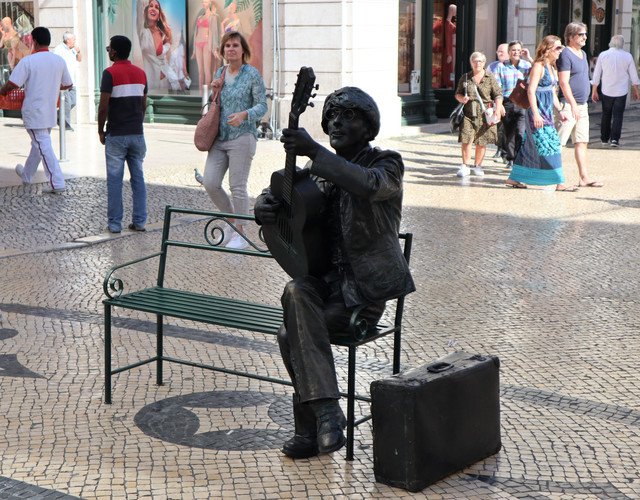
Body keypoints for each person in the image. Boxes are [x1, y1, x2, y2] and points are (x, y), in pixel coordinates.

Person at [254, 86, 416, 459]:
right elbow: (279, 191)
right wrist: (263, 206)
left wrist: (314, 151)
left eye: (348, 116)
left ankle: (312, 428)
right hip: (325, 287)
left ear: (368, 126)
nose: (336, 123)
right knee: (296, 290)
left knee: (289, 334)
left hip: (362, 296)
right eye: (331, 116)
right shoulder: (317, 173)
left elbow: (368, 185)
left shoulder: (386, 164)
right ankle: (328, 414)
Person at [201, 31, 267, 249]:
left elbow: (262, 106)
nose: (231, 49)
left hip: (243, 136)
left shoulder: (252, 74)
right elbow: (215, 105)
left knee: (237, 186)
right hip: (219, 138)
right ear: (223, 50)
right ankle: (232, 221)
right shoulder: (220, 72)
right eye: (227, 46)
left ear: (243, 50)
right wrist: (214, 92)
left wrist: (244, 115)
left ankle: (241, 233)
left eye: (235, 45)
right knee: (210, 183)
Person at [0, 26, 72, 194]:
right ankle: (27, 175)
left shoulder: (28, 61)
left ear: (35, 42)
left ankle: (57, 182)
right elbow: (67, 84)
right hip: (49, 110)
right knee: (39, 144)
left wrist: (2, 90)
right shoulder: (58, 61)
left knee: (42, 145)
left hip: (34, 111)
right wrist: (50, 86)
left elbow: (13, 83)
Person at [506, 36, 577, 191]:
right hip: (537, 112)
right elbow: (531, 91)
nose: (560, 51)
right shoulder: (539, 66)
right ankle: (560, 182)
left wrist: (560, 110)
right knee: (551, 144)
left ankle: (514, 178)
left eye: (561, 47)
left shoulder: (551, 66)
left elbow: (551, 91)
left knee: (530, 145)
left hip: (547, 112)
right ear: (547, 49)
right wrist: (536, 114)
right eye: (557, 48)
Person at [97, 35, 149, 234]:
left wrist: (100, 130)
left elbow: (103, 107)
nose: (108, 51)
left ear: (115, 52)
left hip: (117, 134)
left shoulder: (109, 73)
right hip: (137, 133)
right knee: (138, 179)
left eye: (109, 48)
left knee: (114, 180)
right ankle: (140, 221)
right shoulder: (141, 73)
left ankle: (114, 224)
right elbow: (143, 105)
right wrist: (137, 124)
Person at [556, 22, 603, 188]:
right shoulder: (565, 54)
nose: (585, 37)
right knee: (560, 143)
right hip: (568, 105)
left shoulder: (582, 53)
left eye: (585, 34)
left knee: (582, 141)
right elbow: (563, 82)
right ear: (570, 37)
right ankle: (557, 179)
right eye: (581, 34)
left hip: (582, 105)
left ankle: (584, 177)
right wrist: (573, 104)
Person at [454, 51, 504, 177]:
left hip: (485, 113)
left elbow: (498, 94)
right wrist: (462, 99)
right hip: (468, 113)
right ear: (471, 63)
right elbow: (458, 93)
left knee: (482, 141)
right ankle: (465, 165)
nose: (478, 64)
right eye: (475, 61)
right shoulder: (465, 77)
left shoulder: (490, 77)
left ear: (484, 63)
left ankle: (478, 166)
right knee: (466, 139)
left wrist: (498, 109)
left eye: (480, 61)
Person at [591, 35, 640, 148]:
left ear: (611, 43)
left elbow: (597, 74)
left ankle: (604, 138)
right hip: (621, 91)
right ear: (622, 44)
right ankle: (614, 139)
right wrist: (636, 90)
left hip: (607, 90)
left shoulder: (603, 55)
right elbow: (633, 75)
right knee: (618, 115)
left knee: (606, 114)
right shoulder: (627, 56)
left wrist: (594, 90)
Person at [495, 41, 532, 169]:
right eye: (513, 50)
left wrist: (529, 58)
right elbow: (497, 87)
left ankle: (518, 159)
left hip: (522, 103)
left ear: (521, 51)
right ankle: (510, 158)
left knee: (520, 132)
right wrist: (499, 105)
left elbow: (540, 71)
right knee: (509, 132)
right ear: (509, 52)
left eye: (518, 50)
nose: (516, 52)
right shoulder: (501, 66)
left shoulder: (527, 66)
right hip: (507, 102)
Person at [136, 0, 180, 91]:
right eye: (151, 6)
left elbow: (170, 60)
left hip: (168, 82)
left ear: (159, 14)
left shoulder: (164, 34)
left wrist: (165, 72)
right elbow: (140, 4)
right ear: (146, 10)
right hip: (151, 84)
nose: (153, 9)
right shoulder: (143, 32)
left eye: (157, 7)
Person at [53, 31, 82, 131]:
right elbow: (54, 64)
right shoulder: (58, 50)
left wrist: (78, 51)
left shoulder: (73, 49)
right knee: (66, 103)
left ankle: (57, 116)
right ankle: (65, 124)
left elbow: (79, 59)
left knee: (73, 102)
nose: (75, 41)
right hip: (63, 82)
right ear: (68, 40)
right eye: (73, 39)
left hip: (72, 81)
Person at [192, 0, 222, 89]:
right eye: (202, 2)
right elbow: (195, 33)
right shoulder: (200, 17)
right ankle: (201, 93)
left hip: (207, 43)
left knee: (207, 70)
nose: (203, 3)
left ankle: (208, 92)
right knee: (200, 72)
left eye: (205, 1)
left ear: (209, 2)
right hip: (197, 43)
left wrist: (214, 48)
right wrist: (194, 50)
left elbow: (215, 33)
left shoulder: (213, 16)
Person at [488, 43, 509, 162]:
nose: (499, 54)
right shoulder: (492, 66)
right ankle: (499, 149)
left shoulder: (513, 66)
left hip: (508, 100)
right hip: (496, 99)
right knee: (498, 127)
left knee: (508, 127)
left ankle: (507, 152)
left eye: (502, 52)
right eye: (498, 51)